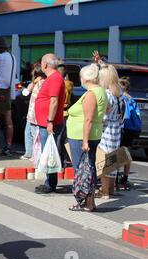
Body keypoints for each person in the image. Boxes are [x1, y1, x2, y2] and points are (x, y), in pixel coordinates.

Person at [67, 64, 107, 211]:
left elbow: (88, 119)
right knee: (89, 168)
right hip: (93, 134)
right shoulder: (101, 91)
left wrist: (84, 140)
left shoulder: (91, 94)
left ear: (85, 78)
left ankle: (85, 202)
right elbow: (104, 111)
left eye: (81, 77)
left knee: (82, 170)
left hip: (81, 136)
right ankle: (88, 202)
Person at [34, 54, 66, 194]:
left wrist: (50, 121)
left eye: (41, 62)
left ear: (45, 64)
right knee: (48, 153)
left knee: (50, 153)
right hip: (46, 122)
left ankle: (50, 184)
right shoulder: (52, 78)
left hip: (50, 123)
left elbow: (54, 101)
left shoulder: (55, 78)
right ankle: (49, 182)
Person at [96, 63, 123, 200]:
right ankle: (111, 189)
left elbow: (103, 114)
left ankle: (104, 190)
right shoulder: (119, 93)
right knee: (113, 160)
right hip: (116, 129)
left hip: (106, 129)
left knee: (103, 159)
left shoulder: (106, 94)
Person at [118, 77, 142, 190]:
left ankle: (115, 176)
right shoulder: (132, 99)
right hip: (132, 129)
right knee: (126, 151)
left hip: (123, 127)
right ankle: (125, 177)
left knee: (118, 152)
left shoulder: (121, 98)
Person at [21, 64, 46, 160]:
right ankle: (29, 153)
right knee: (29, 133)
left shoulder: (38, 84)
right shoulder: (44, 82)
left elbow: (25, 93)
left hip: (34, 114)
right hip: (34, 114)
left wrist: (32, 83)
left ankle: (33, 154)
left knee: (34, 134)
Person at [57, 63, 75, 166]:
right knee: (66, 138)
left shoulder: (58, 84)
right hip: (67, 113)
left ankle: (59, 160)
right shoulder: (69, 84)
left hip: (60, 113)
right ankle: (67, 159)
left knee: (59, 139)